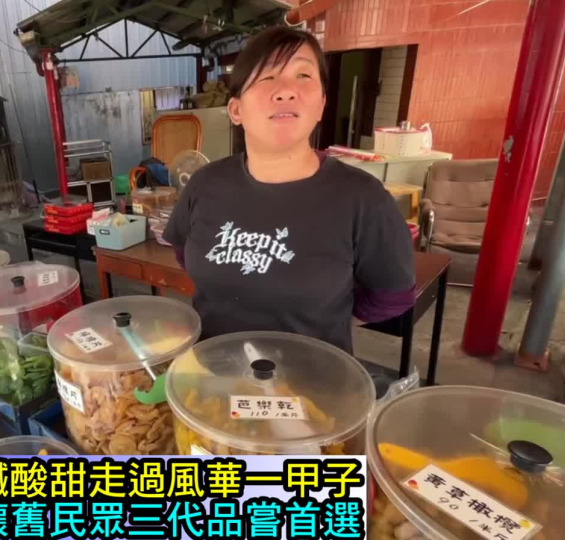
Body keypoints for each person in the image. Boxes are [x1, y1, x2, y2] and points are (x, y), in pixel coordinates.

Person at [163, 27, 416, 354]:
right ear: (236, 110)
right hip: (212, 374)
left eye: (303, 75)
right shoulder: (205, 183)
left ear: (321, 104)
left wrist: (332, 320)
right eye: (266, 77)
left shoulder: (363, 197)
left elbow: (393, 295)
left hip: (313, 378)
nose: (285, 91)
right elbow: (185, 253)